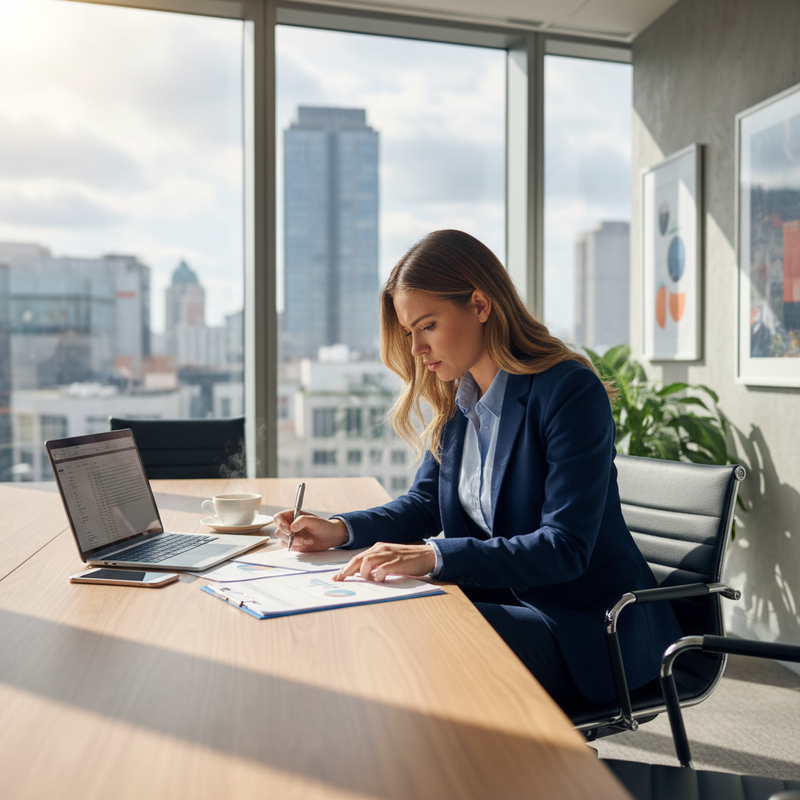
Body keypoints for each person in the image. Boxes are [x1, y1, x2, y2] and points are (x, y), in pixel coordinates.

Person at [274, 229, 681, 711]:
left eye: (427, 325)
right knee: (380, 618)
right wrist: (340, 529)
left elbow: (565, 548)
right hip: (499, 603)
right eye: (409, 333)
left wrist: (434, 556)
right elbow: (425, 503)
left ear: (481, 304)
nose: (418, 349)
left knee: (413, 637)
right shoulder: (459, 399)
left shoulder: (568, 391)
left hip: (584, 628)